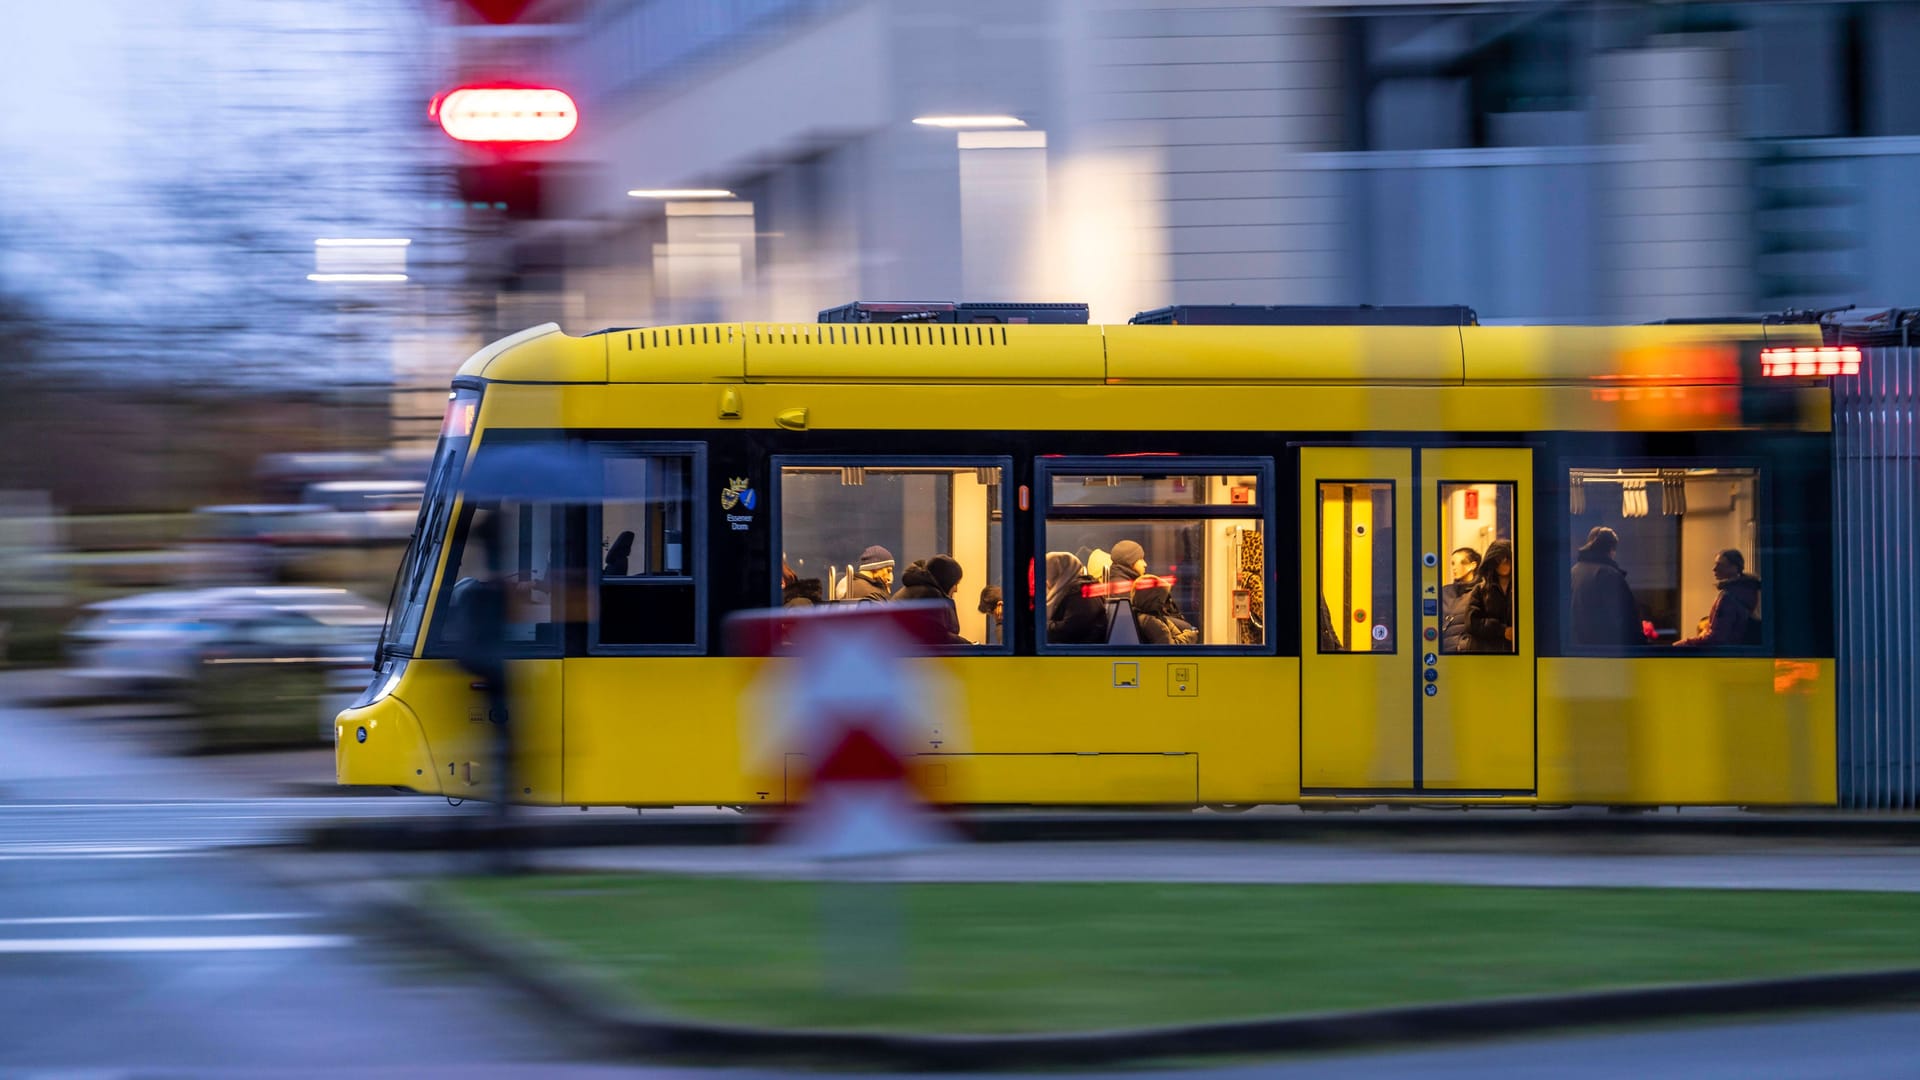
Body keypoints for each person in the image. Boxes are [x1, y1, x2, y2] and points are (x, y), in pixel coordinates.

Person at [447, 509, 517, 872]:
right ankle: (499, 854)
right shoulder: (492, 593)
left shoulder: (480, 592)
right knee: (502, 770)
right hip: (499, 697)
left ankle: (499, 849)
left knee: (500, 773)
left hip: (496, 696)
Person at [1109, 539, 1197, 645]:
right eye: (1140, 559)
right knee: (1186, 628)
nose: (1145, 564)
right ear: (1130, 561)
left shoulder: (1126, 581)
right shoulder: (1123, 586)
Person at [1569, 526, 1640, 648]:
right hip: (1606, 654)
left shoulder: (1573, 572)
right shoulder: (1610, 576)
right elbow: (1626, 624)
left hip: (1578, 652)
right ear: (1611, 550)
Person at [1675, 549, 1762, 647]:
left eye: (1720, 565)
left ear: (1734, 567)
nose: (1714, 569)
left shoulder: (1727, 598)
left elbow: (1716, 637)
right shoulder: (1749, 591)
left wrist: (1685, 643)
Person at [892, 554, 970, 644]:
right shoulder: (929, 595)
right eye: (955, 584)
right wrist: (968, 646)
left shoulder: (912, 591)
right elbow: (939, 637)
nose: (956, 589)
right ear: (946, 581)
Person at [1045, 551, 1105, 644]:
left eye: (1048, 574)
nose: (1046, 580)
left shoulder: (1081, 594)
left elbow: (1070, 630)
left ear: (1058, 572)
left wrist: (1041, 627)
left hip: (1083, 653)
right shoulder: (1066, 590)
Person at [1467, 538, 1516, 652]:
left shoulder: (1523, 589)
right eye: (1499, 560)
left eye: (1508, 559)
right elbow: (1472, 622)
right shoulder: (1481, 589)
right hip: (1488, 651)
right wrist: (1502, 630)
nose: (1504, 563)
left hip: (1517, 652)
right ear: (1493, 562)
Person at [1440, 546, 1480, 653]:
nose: (1454, 568)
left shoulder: (1481, 592)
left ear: (1473, 565)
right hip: (1444, 654)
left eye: (1461, 563)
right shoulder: (1444, 592)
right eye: (1453, 563)